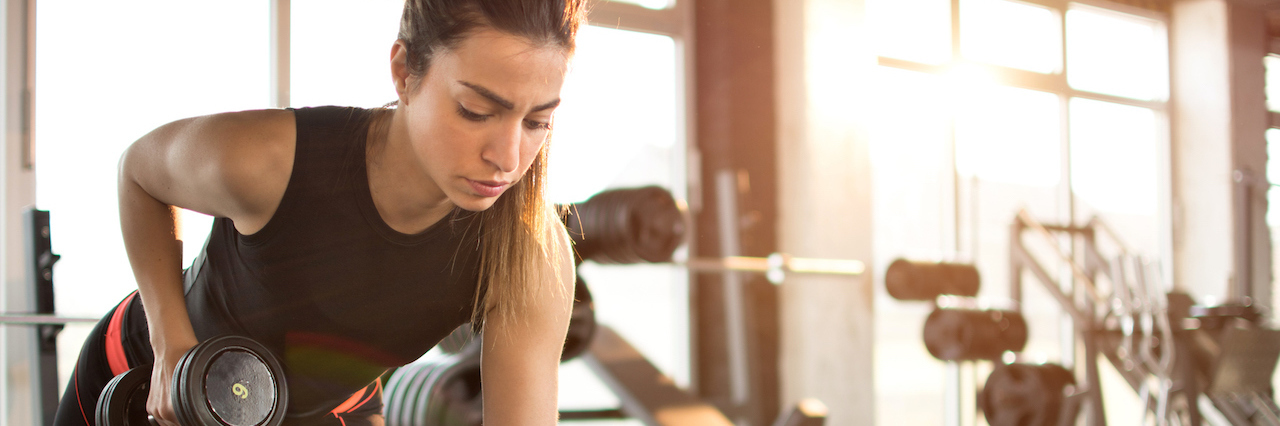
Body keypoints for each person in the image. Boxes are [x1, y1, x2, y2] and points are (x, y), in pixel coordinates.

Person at [52, 0, 585, 424]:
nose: (507, 158)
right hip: (147, 382)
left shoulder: (529, 252)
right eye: (476, 111)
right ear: (403, 72)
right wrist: (173, 347)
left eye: (538, 122)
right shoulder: (270, 159)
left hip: (312, 412)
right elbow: (138, 174)